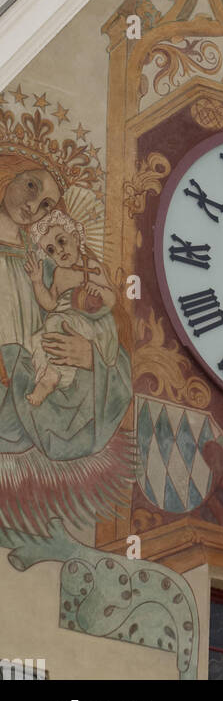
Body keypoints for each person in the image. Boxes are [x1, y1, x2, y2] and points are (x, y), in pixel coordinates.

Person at [0, 152, 132, 535]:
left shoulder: (46, 258)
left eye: (45, 204)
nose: (33, 206)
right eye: (30, 185)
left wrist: (91, 356)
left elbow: (105, 321)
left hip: (40, 380)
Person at [24, 209, 118, 407]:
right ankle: (46, 376)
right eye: (50, 250)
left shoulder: (93, 266)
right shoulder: (59, 274)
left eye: (61, 241)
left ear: (75, 237)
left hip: (91, 321)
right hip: (64, 317)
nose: (59, 250)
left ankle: (53, 377)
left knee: (57, 323)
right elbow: (50, 303)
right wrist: (37, 282)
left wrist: (99, 290)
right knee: (38, 338)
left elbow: (111, 299)